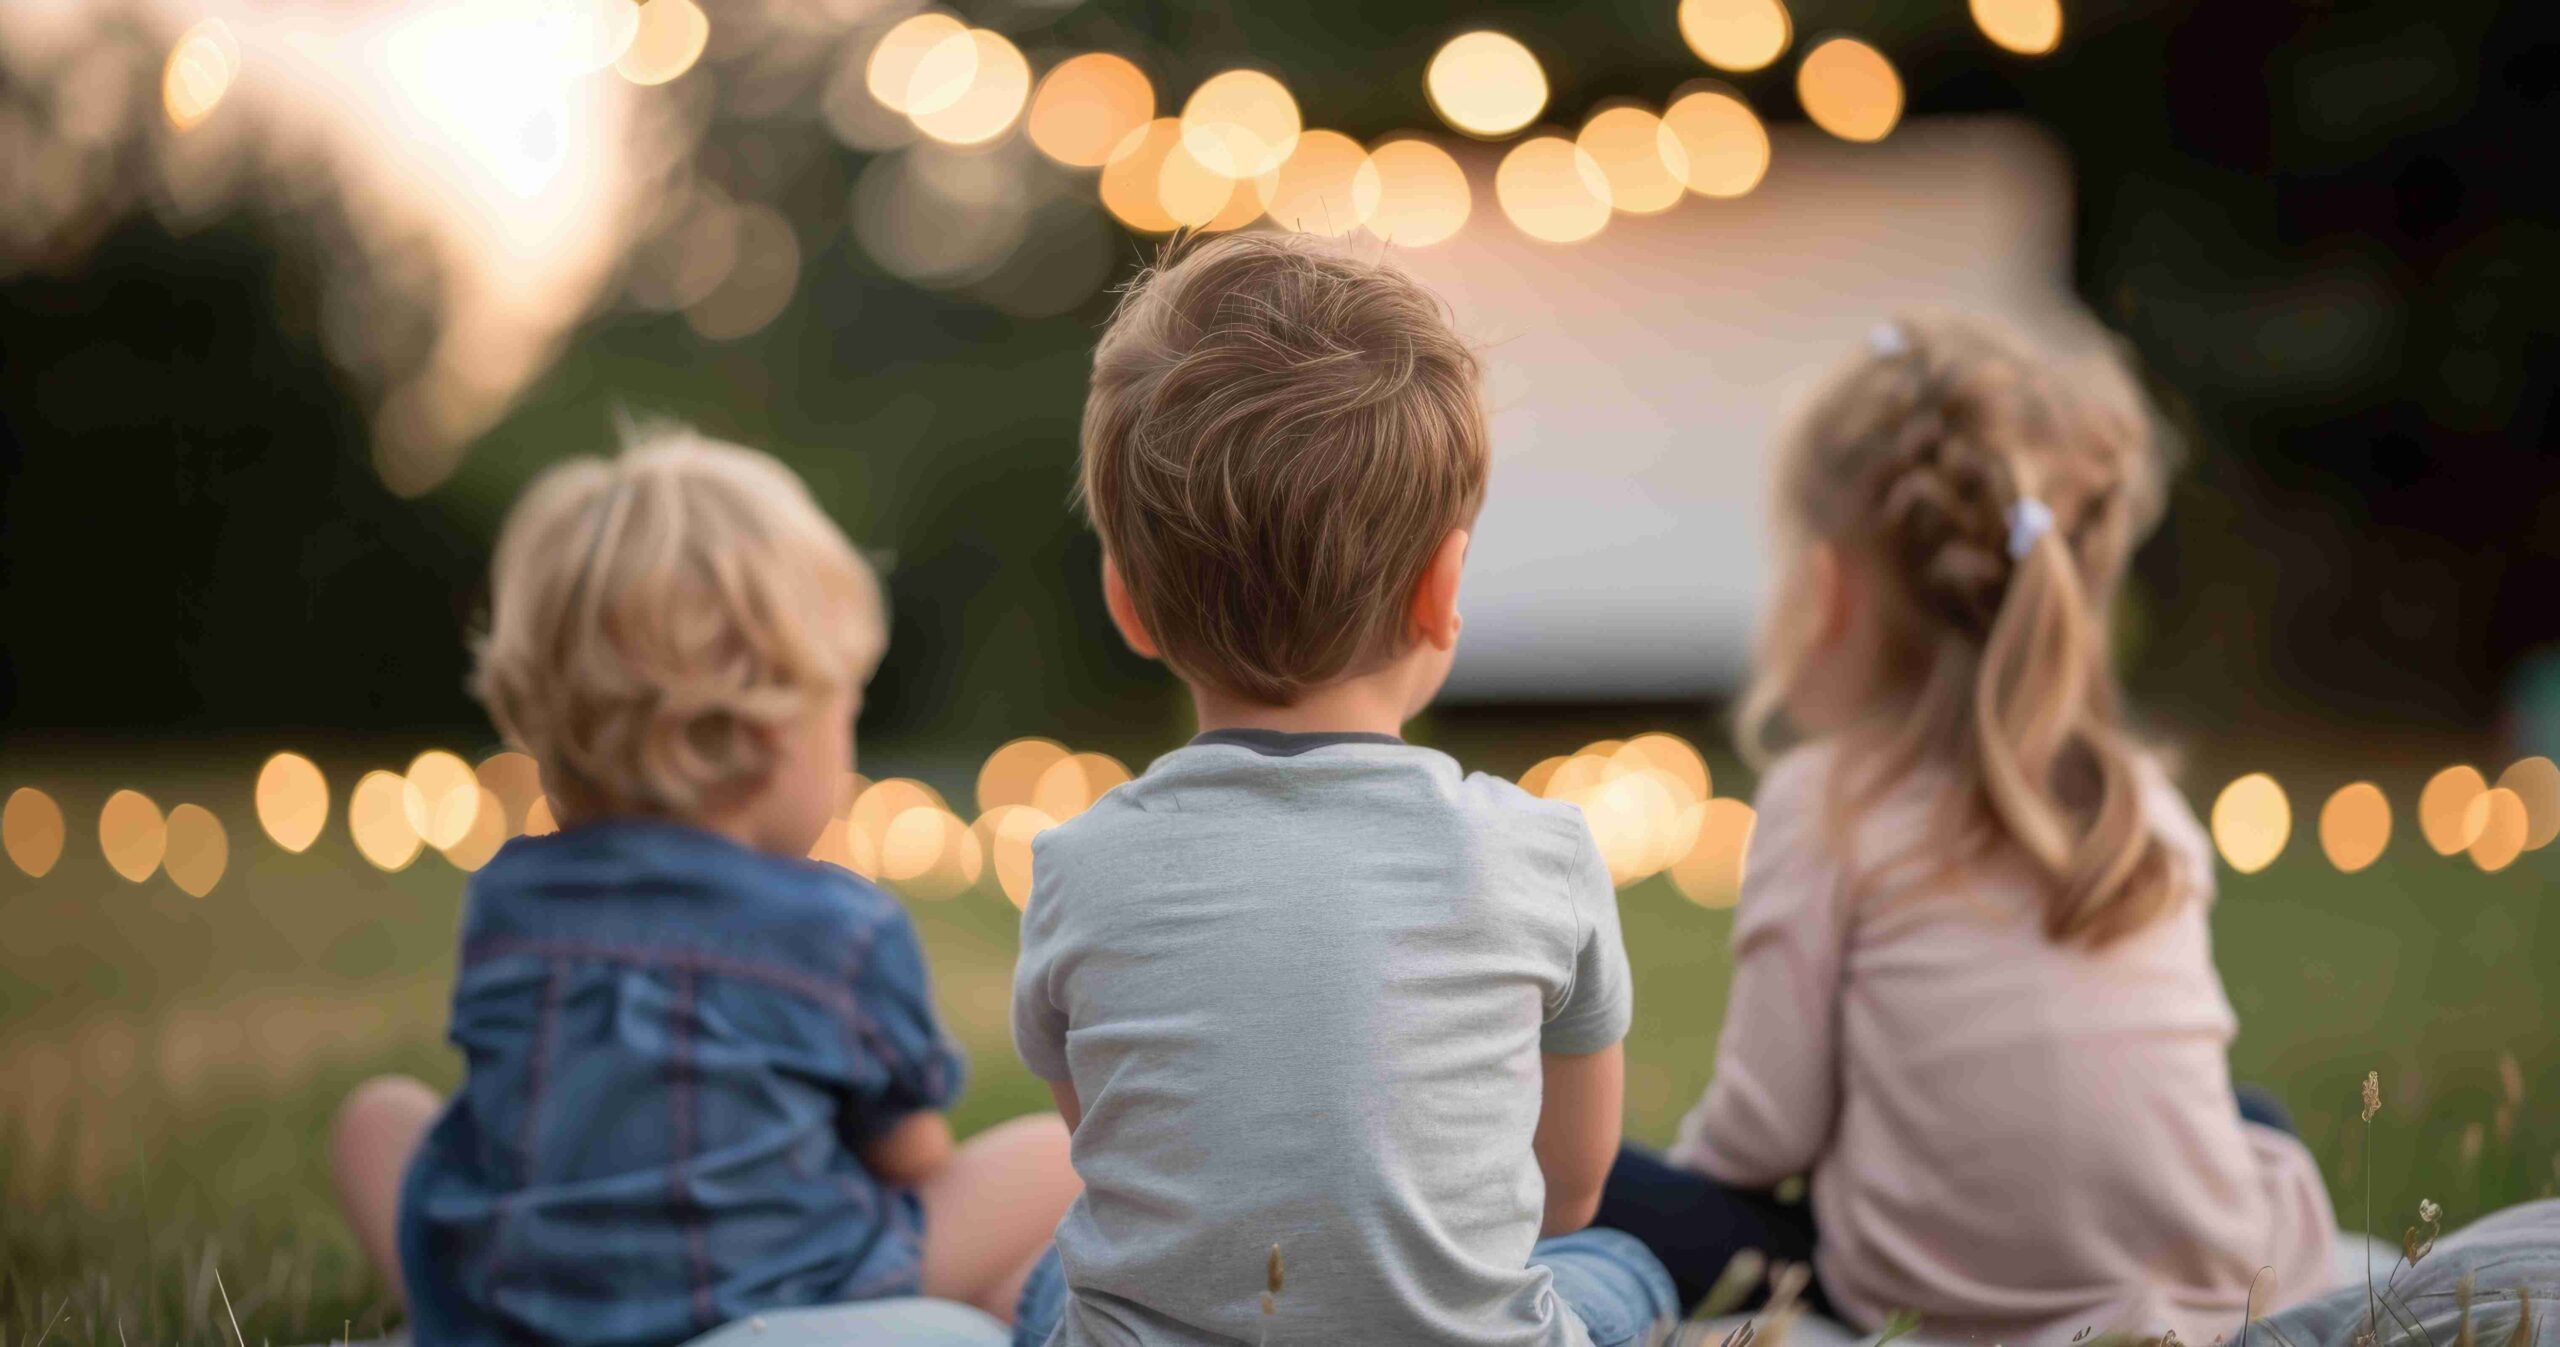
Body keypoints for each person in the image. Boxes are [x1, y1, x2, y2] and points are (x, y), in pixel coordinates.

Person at [1595, 314, 2337, 1343]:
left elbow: (1764, 1134)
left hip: (1927, 1299)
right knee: (2247, 1120)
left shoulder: (1829, 803)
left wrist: (1685, 1189)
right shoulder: (2138, 799)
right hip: (2212, 1277)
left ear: (1826, 591)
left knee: (1586, 1178)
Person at [1006, 234, 1678, 1347]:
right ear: (1441, 589)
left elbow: (1115, 1167)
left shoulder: (1076, 870)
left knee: (1051, 1281)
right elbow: (1566, 1196)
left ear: (1127, 603)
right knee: (1619, 1263)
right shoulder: (1538, 853)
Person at [327, 430, 1079, 1347]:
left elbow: (515, 1122)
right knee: (1058, 1154)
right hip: (768, 1296)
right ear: (772, 734)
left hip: (521, 1298)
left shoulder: (509, 902)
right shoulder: (837, 928)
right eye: (845, 705)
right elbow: (914, 1160)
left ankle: (457, 1315)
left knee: (377, 1120)